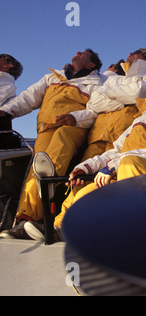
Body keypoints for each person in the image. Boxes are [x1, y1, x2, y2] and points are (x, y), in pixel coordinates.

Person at [24, 67, 146, 241]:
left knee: (130, 163)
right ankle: (60, 230)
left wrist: (113, 166)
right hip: (131, 178)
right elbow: (116, 151)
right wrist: (87, 167)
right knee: (85, 192)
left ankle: (136, 235)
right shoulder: (141, 119)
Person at [0, 49, 103, 239]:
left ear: (91, 65)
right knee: (36, 167)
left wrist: (75, 117)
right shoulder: (51, 77)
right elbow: (28, 98)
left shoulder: (99, 83)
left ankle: (50, 188)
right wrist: (6, 112)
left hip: (74, 126)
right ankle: (25, 219)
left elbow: (96, 109)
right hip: (46, 127)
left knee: (60, 143)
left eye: (84, 53)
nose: (78, 52)